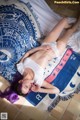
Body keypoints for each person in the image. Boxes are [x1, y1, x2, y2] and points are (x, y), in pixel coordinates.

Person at [16, 17, 80, 95]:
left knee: (64, 20)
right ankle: (73, 26)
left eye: (26, 86)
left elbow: (27, 54)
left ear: (20, 81)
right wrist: (39, 90)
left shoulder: (20, 68)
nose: (29, 86)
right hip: (56, 50)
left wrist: (40, 48)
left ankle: (67, 26)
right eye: (29, 89)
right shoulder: (38, 80)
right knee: (71, 31)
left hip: (46, 44)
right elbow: (56, 90)